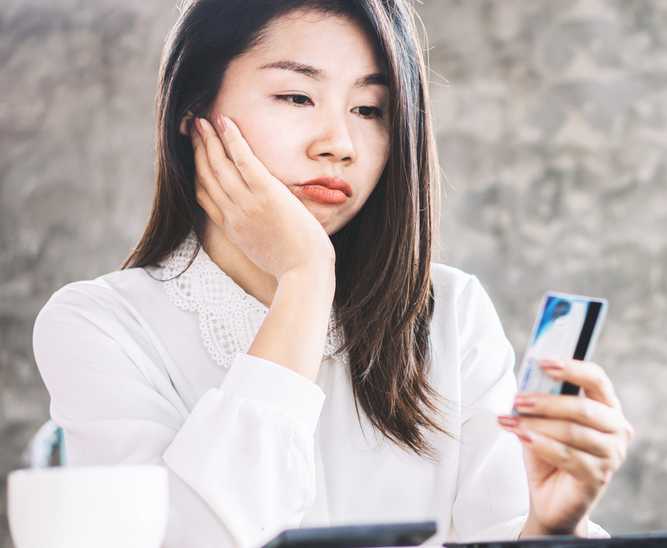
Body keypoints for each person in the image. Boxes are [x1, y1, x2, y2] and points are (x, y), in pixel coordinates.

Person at [30, 1, 634, 547]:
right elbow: (195, 539)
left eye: (370, 109)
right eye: (296, 97)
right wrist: (305, 278)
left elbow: (500, 530)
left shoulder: (449, 310)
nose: (340, 143)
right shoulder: (99, 324)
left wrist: (553, 528)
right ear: (193, 112)